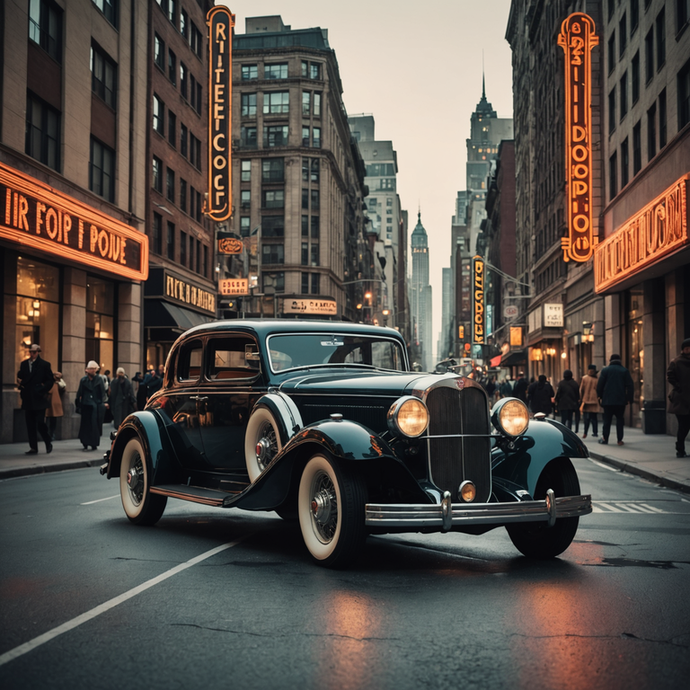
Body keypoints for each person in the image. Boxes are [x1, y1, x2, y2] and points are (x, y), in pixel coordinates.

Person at [16, 344, 54, 455]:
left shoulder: (44, 365)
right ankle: (33, 447)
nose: (32, 354)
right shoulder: (24, 364)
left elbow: (50, 381)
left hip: (39, 398)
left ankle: (47, 441)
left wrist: (42, 388)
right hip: (28, 398)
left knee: (40, 422)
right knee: (30, 424)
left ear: (38, 352)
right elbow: (21, 377)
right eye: (30, 352)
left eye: (34, 352)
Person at [596, 354, 634, 445]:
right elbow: (630, 386)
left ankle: (605, 438)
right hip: (620, 400)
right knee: (620, 420)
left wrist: (599, 396)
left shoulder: (605, 371)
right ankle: (619, 440)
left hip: (607, 400)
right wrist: (629, 398)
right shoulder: (624, 371)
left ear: (610, 360)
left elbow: (600, 385)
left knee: (607, 421)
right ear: (620, 360)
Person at [75, 360, 108, 451]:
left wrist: (98, 403)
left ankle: (93, 444)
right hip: (86, 405)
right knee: (85, 426)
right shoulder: (83, 380)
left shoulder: (99, 380)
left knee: (94, 426)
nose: (92, 371)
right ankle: (85, 443)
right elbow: (79, 393)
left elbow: (101, 393)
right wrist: (79, 404)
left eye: (93, 369)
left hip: (95, 406)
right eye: (90, 369)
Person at [666, 337, 690, 458]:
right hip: (681, 399)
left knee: (686, 426)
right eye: (687, 348)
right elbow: (670, 376)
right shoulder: (676, 362)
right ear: (684, 349)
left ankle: (680, 447)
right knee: (683, 426)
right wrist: (678, 386)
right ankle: (680, 448)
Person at [580, 364, 601, 438]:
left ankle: (585, 432)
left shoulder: (584, 378)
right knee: (594, 418)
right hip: (594, 401)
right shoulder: (597, 379)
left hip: (586, 401)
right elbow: (599, 390)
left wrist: (581, 399)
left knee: (586, 419)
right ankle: (595, 432)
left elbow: (581, 390)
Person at [45, 371, 66, 440]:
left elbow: (63, 387)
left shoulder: (58, 383)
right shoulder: (48, 382)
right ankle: (47, 434)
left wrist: (59, 380)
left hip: (54, 403)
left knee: (53, 420)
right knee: (46, 419)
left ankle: (51, 434)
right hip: (48, 402)